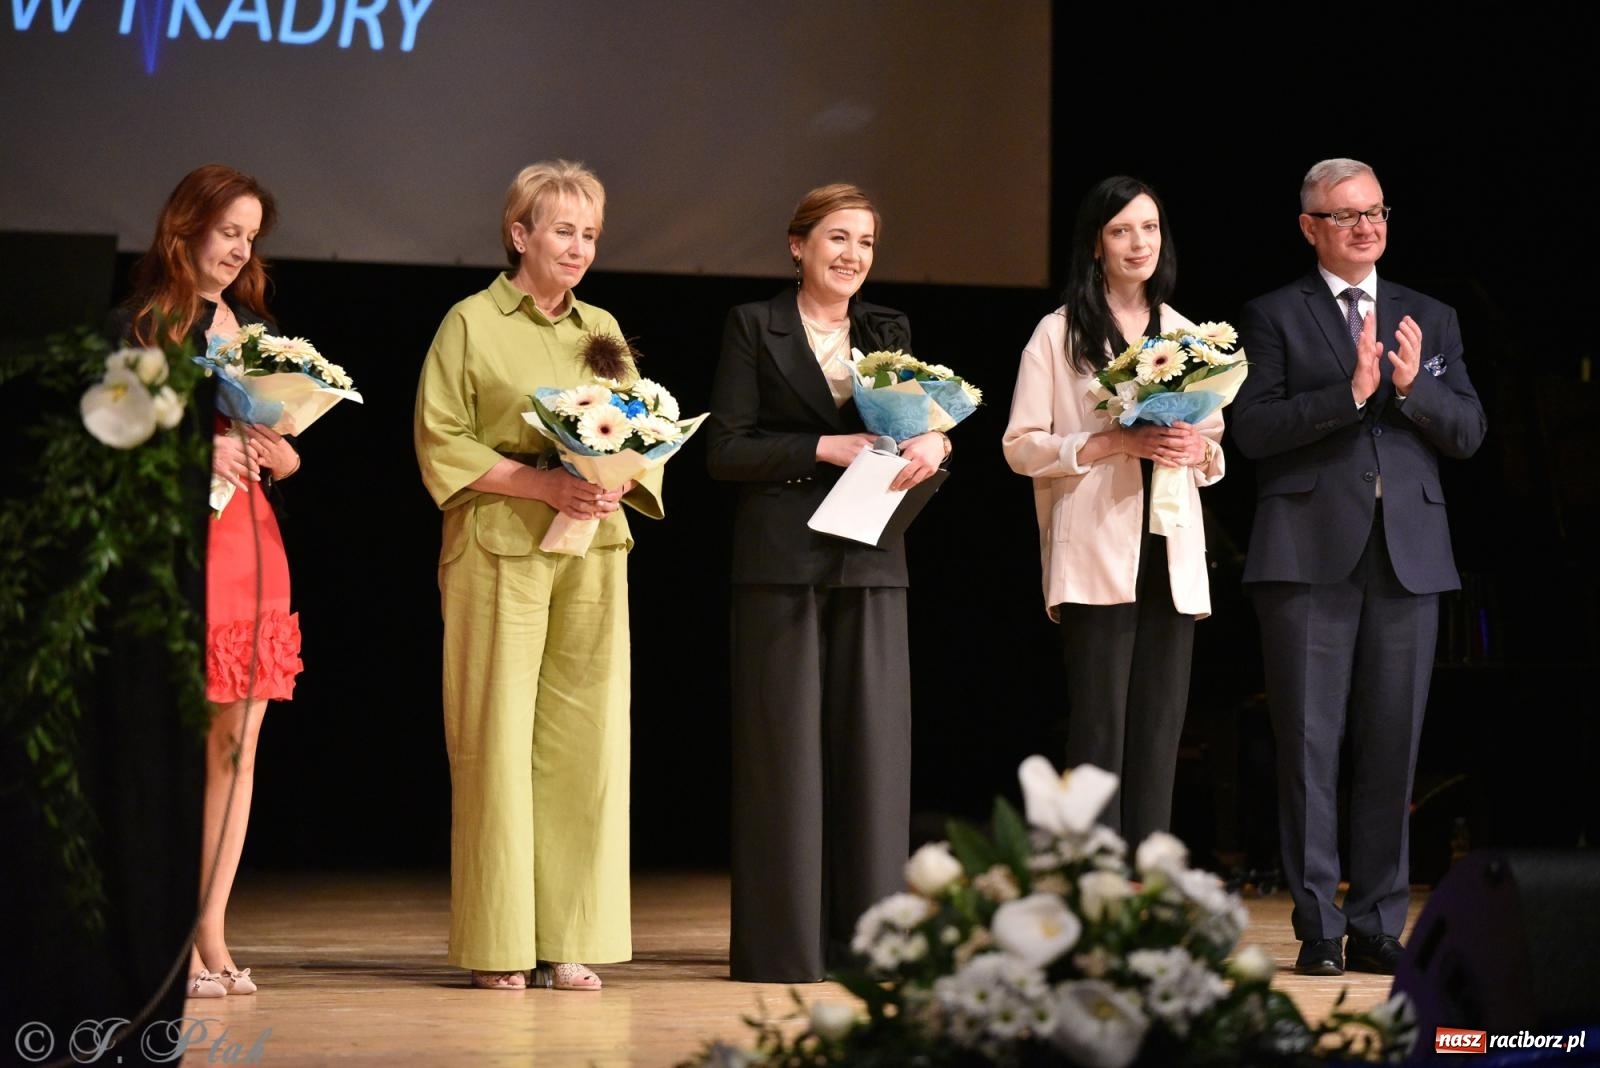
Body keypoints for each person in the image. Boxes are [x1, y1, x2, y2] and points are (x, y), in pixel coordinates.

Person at [1231, 158, 1487, 976]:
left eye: (1376, 211)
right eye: (1346, 215)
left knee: (1391, 745)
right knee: (1309, 746)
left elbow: (1469, 431)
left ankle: (1379, 924)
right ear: (1310, 228)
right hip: (1305, 553)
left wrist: (1411, 389)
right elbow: (1252, 430)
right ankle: (1318, 927)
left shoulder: (1431, 316)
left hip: (1409, 555)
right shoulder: (1273, 313)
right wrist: (1348, 394)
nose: (1367, 226)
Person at [413, 160, 662, 991]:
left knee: (587, 739)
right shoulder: (471, 321)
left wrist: (618, 475)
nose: (579, 247)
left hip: (593, 542)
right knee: (495, 738)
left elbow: (641, 426)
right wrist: (541, 483)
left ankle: (569, 937)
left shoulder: (603, 325)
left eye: (590, 234)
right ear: (520, 235)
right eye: (563, 230)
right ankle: (497, 944)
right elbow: (441, 438)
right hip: (499, 543)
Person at [706, 182, 948, 983]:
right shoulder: (754, 325)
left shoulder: (887, 329)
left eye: (865, 242)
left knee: (873, 755)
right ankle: (785, 949)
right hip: (780, 564)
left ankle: (871, 947)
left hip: (872, 555)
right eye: (838, 238)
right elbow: (725, 451)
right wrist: (821, 446)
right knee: (784, 758)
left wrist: (938, 445)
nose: (852, 255)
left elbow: (917, 426)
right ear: (798, 245)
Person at [118, 163, 304, 999]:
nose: (238, 250)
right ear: (186, 227)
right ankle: (171, 937)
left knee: (239, 747)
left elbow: (283, 444)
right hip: (183, 550)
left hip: (252, 541)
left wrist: (279, 453)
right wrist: (201, 449)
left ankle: (212, 930)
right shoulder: (143, 324)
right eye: (229, 232)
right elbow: (111, 441)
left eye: (250, 238)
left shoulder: (252, 329)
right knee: (181, 747)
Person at [1002, 176, 1225, 852]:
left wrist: (1198, 449)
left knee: (1160, 730)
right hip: (1097, 546)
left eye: (1149, 228)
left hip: (1169, 545)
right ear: (1096, 245)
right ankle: (1091, 879)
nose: (1139, 243)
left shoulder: (1187, 335)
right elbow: (1020, 446)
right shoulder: (1059, 332)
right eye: (1122, 230)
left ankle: (1147, 878)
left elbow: (1213, 446)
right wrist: (1108, 443)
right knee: (1099, 728)